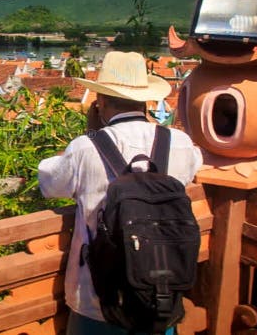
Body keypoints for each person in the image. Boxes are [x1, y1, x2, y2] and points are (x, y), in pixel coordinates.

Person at [38, 51, 202, 335]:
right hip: (160, 296)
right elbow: (191, 169)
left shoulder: (86, 147)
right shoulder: (180, 143)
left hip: (97, 299)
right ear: (145, 100)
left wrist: (91, 134)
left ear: (100, 101)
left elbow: (49, 182)